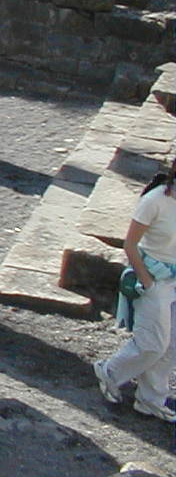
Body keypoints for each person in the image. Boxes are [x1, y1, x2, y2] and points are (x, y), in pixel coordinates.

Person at [93, 157, 176, 423]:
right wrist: (147, 281)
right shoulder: (154, 201)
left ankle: (151, 399)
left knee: (172, 345)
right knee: (152, 343)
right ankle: (110, 372)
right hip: (153, 277)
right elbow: (130, 245)